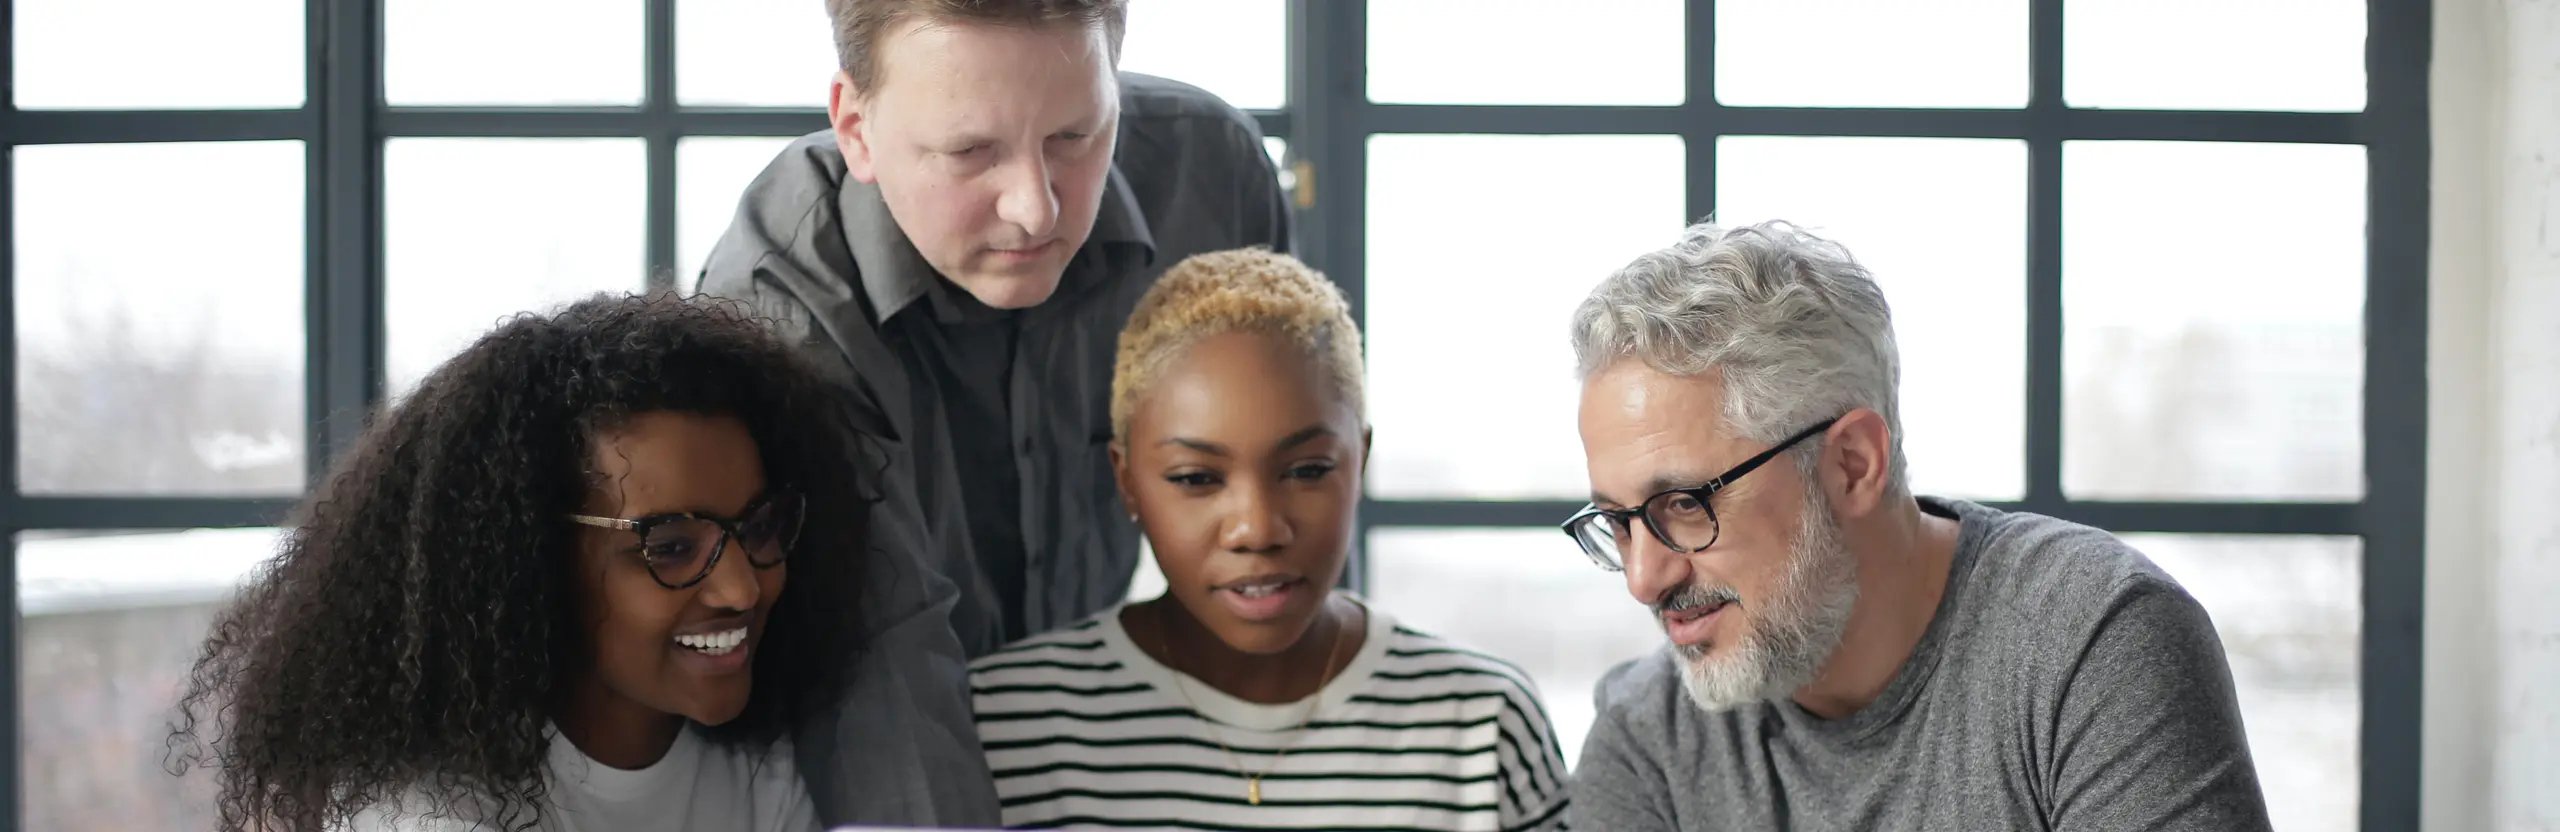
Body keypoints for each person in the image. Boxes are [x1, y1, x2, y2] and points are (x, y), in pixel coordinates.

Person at [695, 0, 1291, 823]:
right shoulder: (779, 305)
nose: (1035, 209)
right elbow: (885, 652)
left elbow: (1286, 493)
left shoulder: (1211, 173)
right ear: (856, 128)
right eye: (970, 151)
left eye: (1075, 136)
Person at [1562, 221, 2274, 830]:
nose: (1643, 579)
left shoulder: (2092, 642)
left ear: (1852, 465)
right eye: (1618, 523)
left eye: (1684, 504)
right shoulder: (1649, 739)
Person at [166, 295, 872, 832]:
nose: (743, 586)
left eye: (759, 528)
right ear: (535, 560)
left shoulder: (757, 770)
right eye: (671, 547)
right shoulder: (428, 815)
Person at [969, 249, 1572, 830]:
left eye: (1307, 470)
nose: (1257, 529)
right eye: (1196, 478)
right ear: (1127, 482)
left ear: (1360, 461)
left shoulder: (1481, 726)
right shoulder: (1006, 723)